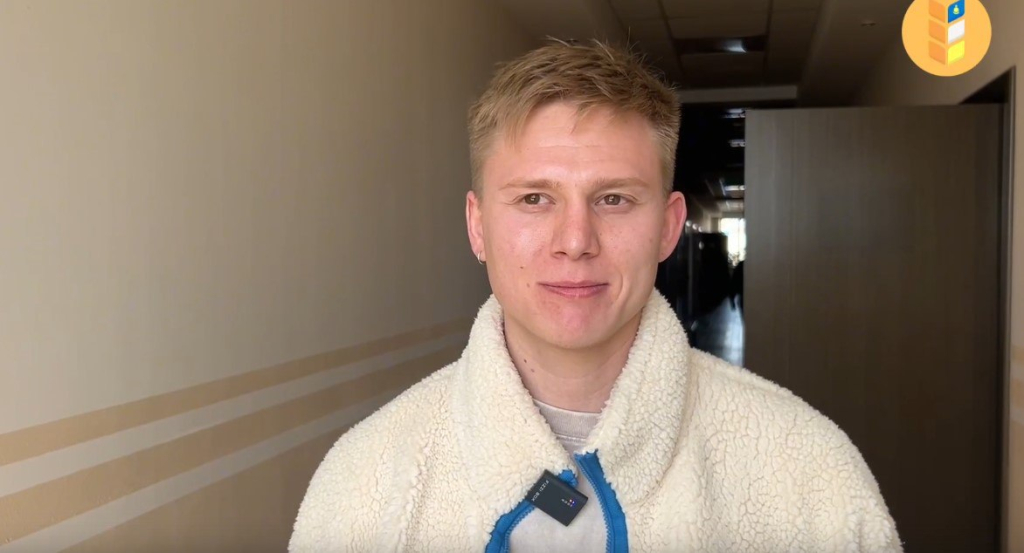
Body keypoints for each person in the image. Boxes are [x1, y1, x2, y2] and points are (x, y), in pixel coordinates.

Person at [289, 40, 901, 552]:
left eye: (614, 199)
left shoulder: (807, 472)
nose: (576, 241)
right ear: (478, 227)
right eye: (535, 199)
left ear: (668, 227)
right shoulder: (365, 481)